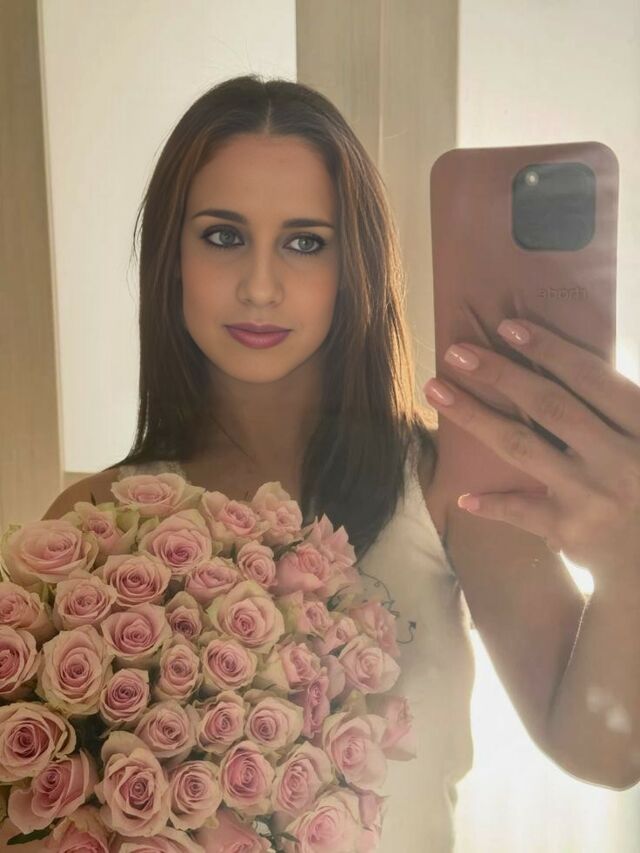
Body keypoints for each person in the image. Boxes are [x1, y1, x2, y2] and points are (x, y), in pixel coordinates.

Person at [39, 75, 637, 852]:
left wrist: (628, 563)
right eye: (223, 236)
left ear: (353, 265)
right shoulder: (91, 523)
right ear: (171, 256)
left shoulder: (445, 482)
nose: (260, 286)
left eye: (304, 242)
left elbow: (604, 750)